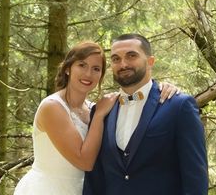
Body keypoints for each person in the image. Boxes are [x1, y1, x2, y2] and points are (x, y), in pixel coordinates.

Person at [14, 41, 179, 195]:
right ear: (67, 68)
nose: (88, 74)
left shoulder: (93, 107)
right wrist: (99, 115)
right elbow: (84, 162)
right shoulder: (53, 107)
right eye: (82, 65)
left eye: (96, 69)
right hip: (47, 189)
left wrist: (162, 88)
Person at [83, 33, 209, 195]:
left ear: (150, 62)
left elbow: (195, 176)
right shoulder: (102, 110)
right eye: (116, 59)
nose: (123, 64)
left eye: (131, 56)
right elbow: (94, 177)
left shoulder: (179, 106)